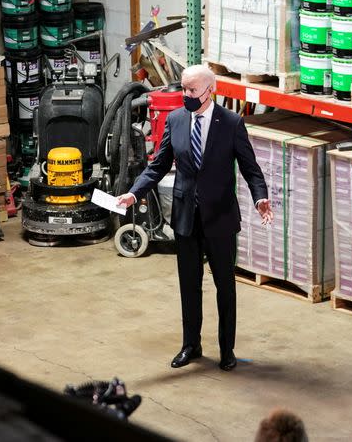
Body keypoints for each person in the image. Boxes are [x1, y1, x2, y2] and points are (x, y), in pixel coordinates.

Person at [117, 64, 273, 371]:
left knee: (225, 287)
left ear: (209, 90)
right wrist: (134, 193)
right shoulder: (176, 120)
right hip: (186, 216)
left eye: (192, 91)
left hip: (220, 218)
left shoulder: (230, 123)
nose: (186, 95)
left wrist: (260, 197)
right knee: (189, 285)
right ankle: (191, 345)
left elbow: (250, 168)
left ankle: (226, 350)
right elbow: (158, 164)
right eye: (184, 89)